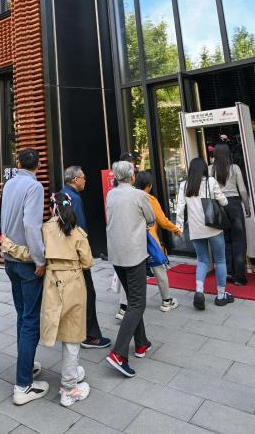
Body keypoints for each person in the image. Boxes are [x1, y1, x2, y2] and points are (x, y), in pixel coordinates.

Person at [0, 148, 50, 404]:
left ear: (18, 163)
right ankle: (23, 386)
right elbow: (31, 224)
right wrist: (40, 259)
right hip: (27, 261)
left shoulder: (9, 184)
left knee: (22, 315)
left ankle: (25, 366)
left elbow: (3, 219)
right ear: (38, 165)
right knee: (31, 319)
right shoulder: (35, 187)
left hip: (9, 257)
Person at [41, 192, 93, 407]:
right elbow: (88, 262)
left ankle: (73, 372)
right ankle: (69, 387)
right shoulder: (78, 232)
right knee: (72, 335)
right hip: (73, 283)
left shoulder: (45, 229)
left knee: (56, 324)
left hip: (52, 282)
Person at [104, 160, 154, 378]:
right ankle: (119, 353)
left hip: (116, 254)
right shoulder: (138, 195)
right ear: (132, 176)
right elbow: (151, 219)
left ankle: (141, 343)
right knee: (137, 303)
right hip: (134, 254)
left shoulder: (111, 195)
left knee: (134, 298)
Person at [61, 166, 111, 350]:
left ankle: (77, 331)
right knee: (88, 293)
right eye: (83, 177)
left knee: (75, 294)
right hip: (76, 254)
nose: (85, 180)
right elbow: (80, 230)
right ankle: (91, 336)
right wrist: (85, 256)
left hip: (64, 254)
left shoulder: (62, 195)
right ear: (75, 179)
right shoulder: (74, 198)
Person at [179, 157, 232, 310]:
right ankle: (221, 295)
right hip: (213, 227)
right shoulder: (211, 182)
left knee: (202, 260)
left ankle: (199, 291)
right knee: (220, 260)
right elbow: (224, 202)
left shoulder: (184, 185)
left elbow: (180, 208)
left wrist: (179, 228)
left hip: (196, 229)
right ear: (204, 169)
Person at [134, 171, 181, 311]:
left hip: (133, 241)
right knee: (159, 270)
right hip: (149, 241)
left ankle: (124, 307)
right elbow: (162, 221)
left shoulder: (131, 197)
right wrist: (176, 229)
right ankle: (166, 301)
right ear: (149, 185)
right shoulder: (149, 199)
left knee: (132, 274)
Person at [209, 143, 250, 286]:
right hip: (233, 204)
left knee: (224, 240)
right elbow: (243, 190)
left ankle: (228, 272)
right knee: (239, 239)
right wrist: (247, 206)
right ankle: (239, 276)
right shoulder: (234, 168)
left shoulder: (210, 169)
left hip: (218, 205)